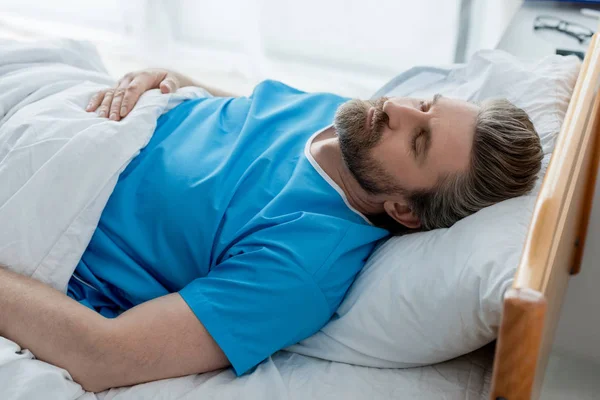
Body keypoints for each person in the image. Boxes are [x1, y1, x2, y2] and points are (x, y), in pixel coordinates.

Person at [0, 68, 543, 392]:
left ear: (403, 211)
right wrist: (160, 78)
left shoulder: (300, 267)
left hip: (41, 188)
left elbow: (106, 356)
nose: (396, 108)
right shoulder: (352, 126)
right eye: (426, 104)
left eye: (418, 139)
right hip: (63, 108)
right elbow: (235, 115)